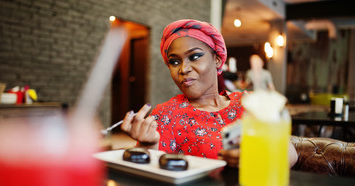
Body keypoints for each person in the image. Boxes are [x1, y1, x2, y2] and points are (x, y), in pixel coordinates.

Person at [121, 19, 297, 167]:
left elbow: (291, 156)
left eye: (195, 56)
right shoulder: (167, 114)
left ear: (217, 59)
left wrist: (259, 158)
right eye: (174, 62)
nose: (184, 69)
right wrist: (149, 145)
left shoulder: (249, 103)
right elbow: (153, 175)